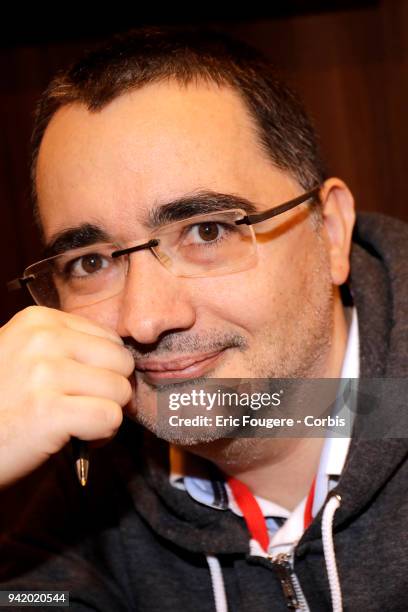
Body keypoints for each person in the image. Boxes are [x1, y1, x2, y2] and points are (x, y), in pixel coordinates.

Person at [0, 26, 407, 612]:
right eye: (90, 262)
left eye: (207, 231)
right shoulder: (93, 485)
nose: (145, 319)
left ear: (331, 232)